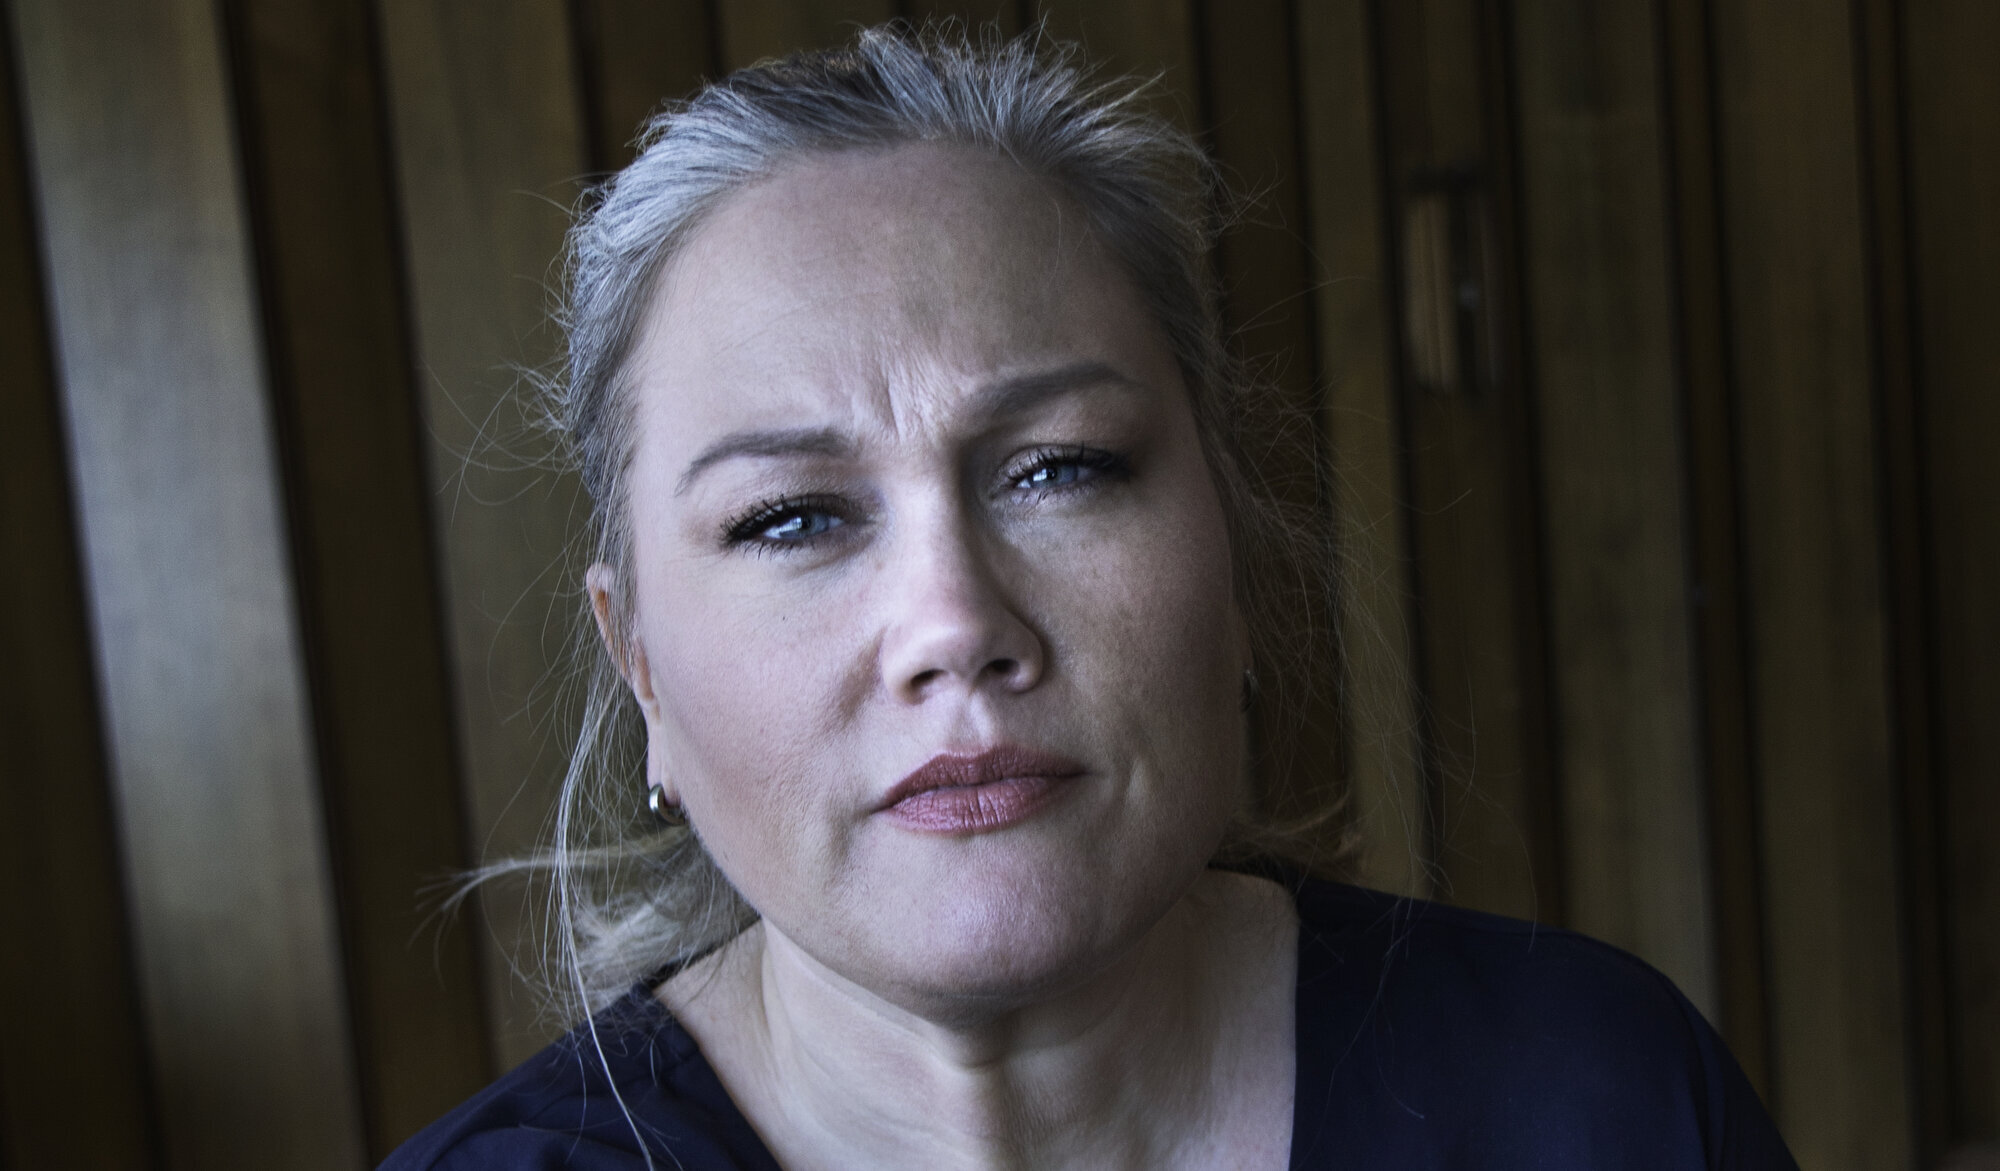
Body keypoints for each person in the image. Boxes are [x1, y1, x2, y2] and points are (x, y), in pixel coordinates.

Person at [384, 24, 1797, 1171]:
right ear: (640, 667)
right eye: (793, 517)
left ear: (1231, 558)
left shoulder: (1601, 1103)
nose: (955, 623)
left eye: (1059, 470)